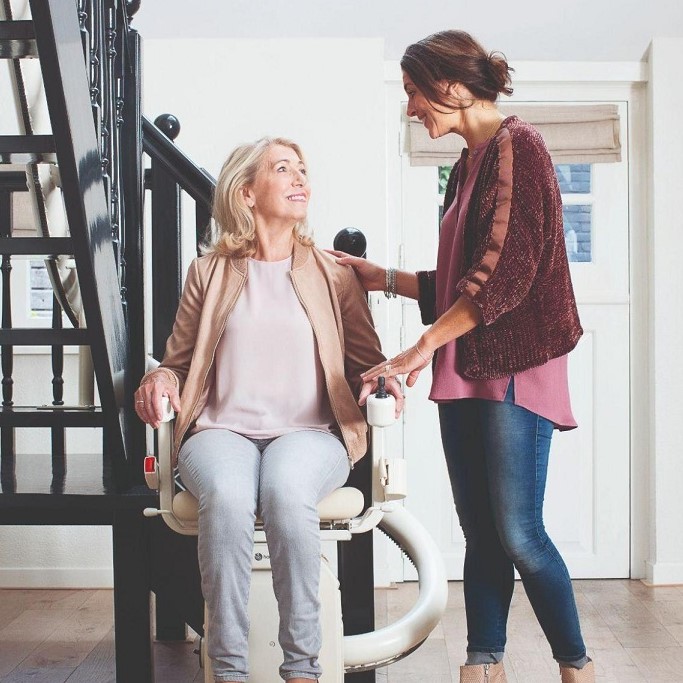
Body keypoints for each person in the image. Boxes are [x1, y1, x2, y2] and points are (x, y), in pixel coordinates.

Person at [333, 30, 594, 683]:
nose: (410, 108)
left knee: (518, 532)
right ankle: (483, 664)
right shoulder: (469, 163)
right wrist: (381, 276)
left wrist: (419, 346)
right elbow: (459, 279)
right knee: (480, 530)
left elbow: (504, 274)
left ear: (449, 86)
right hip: (470, 364)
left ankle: (576, 666)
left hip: (513, 365)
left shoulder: (518, 148)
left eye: (413, 93)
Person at [135, 137, 403, 683]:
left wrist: (387, 380)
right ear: (248, 193)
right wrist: (158, 377)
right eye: (284, 169)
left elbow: (366, 363)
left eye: (303, 168)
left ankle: (302, 671)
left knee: (284, 490)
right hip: (219, 431)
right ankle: (228, 671)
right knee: (230, 496)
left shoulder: (334, 274)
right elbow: (178, 364)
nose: (301, 178)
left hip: (311, 432)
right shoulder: (208, 272)